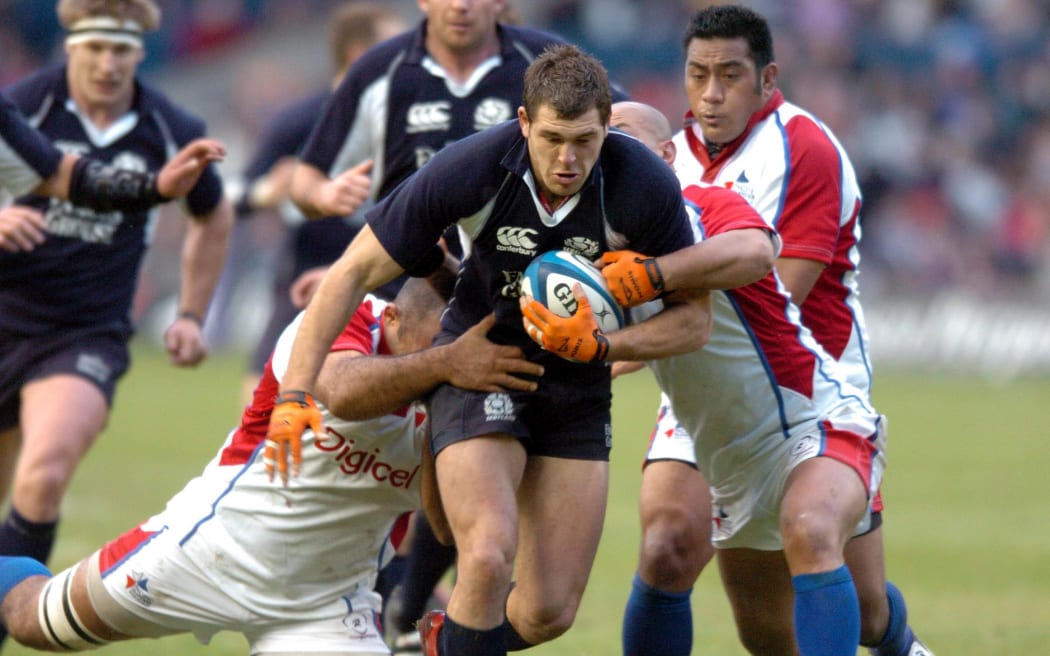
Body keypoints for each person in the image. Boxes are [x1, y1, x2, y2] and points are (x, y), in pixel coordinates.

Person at [266, 45, 714, 656]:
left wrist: (606, 343)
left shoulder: (642, 185)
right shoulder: (472, 168)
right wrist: (294, 392)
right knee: (486, 553)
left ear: (607, 124)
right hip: (481, 365)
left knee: (548, 611)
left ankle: (436, 646)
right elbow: (350, 273)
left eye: (585, 139)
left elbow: (694, 321)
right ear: (524, 121)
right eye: (552, 137)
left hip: (578, 390)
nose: (567, 158)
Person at [0, 266, 546, 655]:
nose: (445, 361)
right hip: (205, 550)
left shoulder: (462, 389)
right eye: (434, 346)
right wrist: (443, 365)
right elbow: (343, 390)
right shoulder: (335, 325)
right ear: (394, 318)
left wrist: (445, 412)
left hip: (326, 605)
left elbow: (448, 529)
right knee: (33, 621)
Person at [615, 6, 931, 656]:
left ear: (767, 78)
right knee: (667, 545)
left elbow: (774, 297)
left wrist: (625, 331)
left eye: (729, 75)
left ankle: (898, 642)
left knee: (858, 603)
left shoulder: (804, 149)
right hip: (701, 386)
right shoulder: (663, 162)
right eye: (698, 75)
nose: (710, 93)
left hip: (806, 385)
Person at [0, 1, 235, 635]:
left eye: (121, 51)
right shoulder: (24, 105)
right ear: (70, 46)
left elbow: (212, 214)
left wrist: (191, 312)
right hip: (5, 316)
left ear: (141, 53)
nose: (107, 64)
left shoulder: (169, 126)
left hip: (85, 333)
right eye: (95, 49)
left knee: (44, 472)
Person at [235, 1, 406, 405]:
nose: (412, 56)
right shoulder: (300, 120)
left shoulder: (412, 121)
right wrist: (271, 190)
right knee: (258, 412)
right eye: (396, 46)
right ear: (359, 54)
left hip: (389, 291)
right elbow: (239, 198)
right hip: (303, 284)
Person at [1, 91, 225, 236]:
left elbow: (61, 175)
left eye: (120, 50)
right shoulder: (32, 99)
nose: (107, 65)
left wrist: (153, 187)